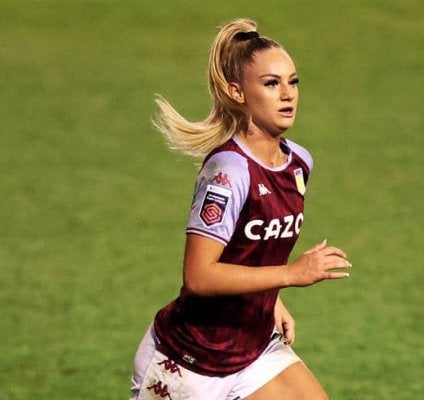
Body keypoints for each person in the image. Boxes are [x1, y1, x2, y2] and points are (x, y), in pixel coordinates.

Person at [130, 18, 352, 400]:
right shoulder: (228, 172)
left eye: (293, 81)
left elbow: (250, 249)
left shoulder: (299, 163)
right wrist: (290, 275)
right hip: (188, 364)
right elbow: (199, 275)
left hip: (254, 352)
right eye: (271, 83)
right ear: (237, 92)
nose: (288, 95)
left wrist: (272, 299)